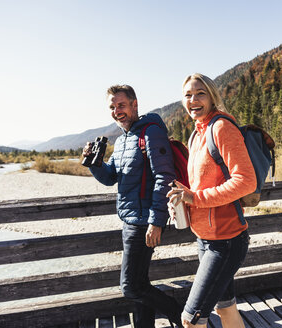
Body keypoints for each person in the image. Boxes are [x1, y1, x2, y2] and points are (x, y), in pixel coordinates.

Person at [83, 84, 183, 328]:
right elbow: (110, 177)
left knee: (130, 287)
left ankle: (183, 316)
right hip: (130, 220)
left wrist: (156, 222)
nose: (117, 111)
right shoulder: (123, 140)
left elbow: (164, 177)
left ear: (134, 105)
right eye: (113, 107)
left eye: (122, 105)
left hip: (143, 222)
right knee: (140, 284)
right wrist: (94, 163)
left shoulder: (150, 133)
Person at [167, 73, 256, 328]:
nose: (193, 99)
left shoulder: (221, 128)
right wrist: (182, 199)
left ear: (212, 96)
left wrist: (195, 197)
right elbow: (200, 186)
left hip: (226, 241)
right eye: (188, 95)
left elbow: (245, 180)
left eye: (200, 93)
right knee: (226, 309)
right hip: (205, 239)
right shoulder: (196, 135)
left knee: (190, 320)